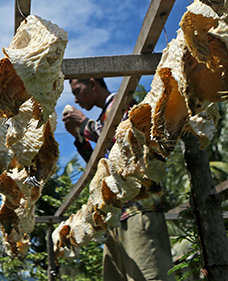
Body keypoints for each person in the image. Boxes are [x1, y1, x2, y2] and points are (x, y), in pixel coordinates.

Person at [63, 78, 174, 281]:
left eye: (78, 91)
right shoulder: (105, 115)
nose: (77, 100)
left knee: (149, 275)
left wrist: (85, 124)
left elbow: (120, 137)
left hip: (139, 208)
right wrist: (81, 138)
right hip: (115, 213)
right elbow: (102, 165)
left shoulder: (122, 102)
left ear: (93, 83)